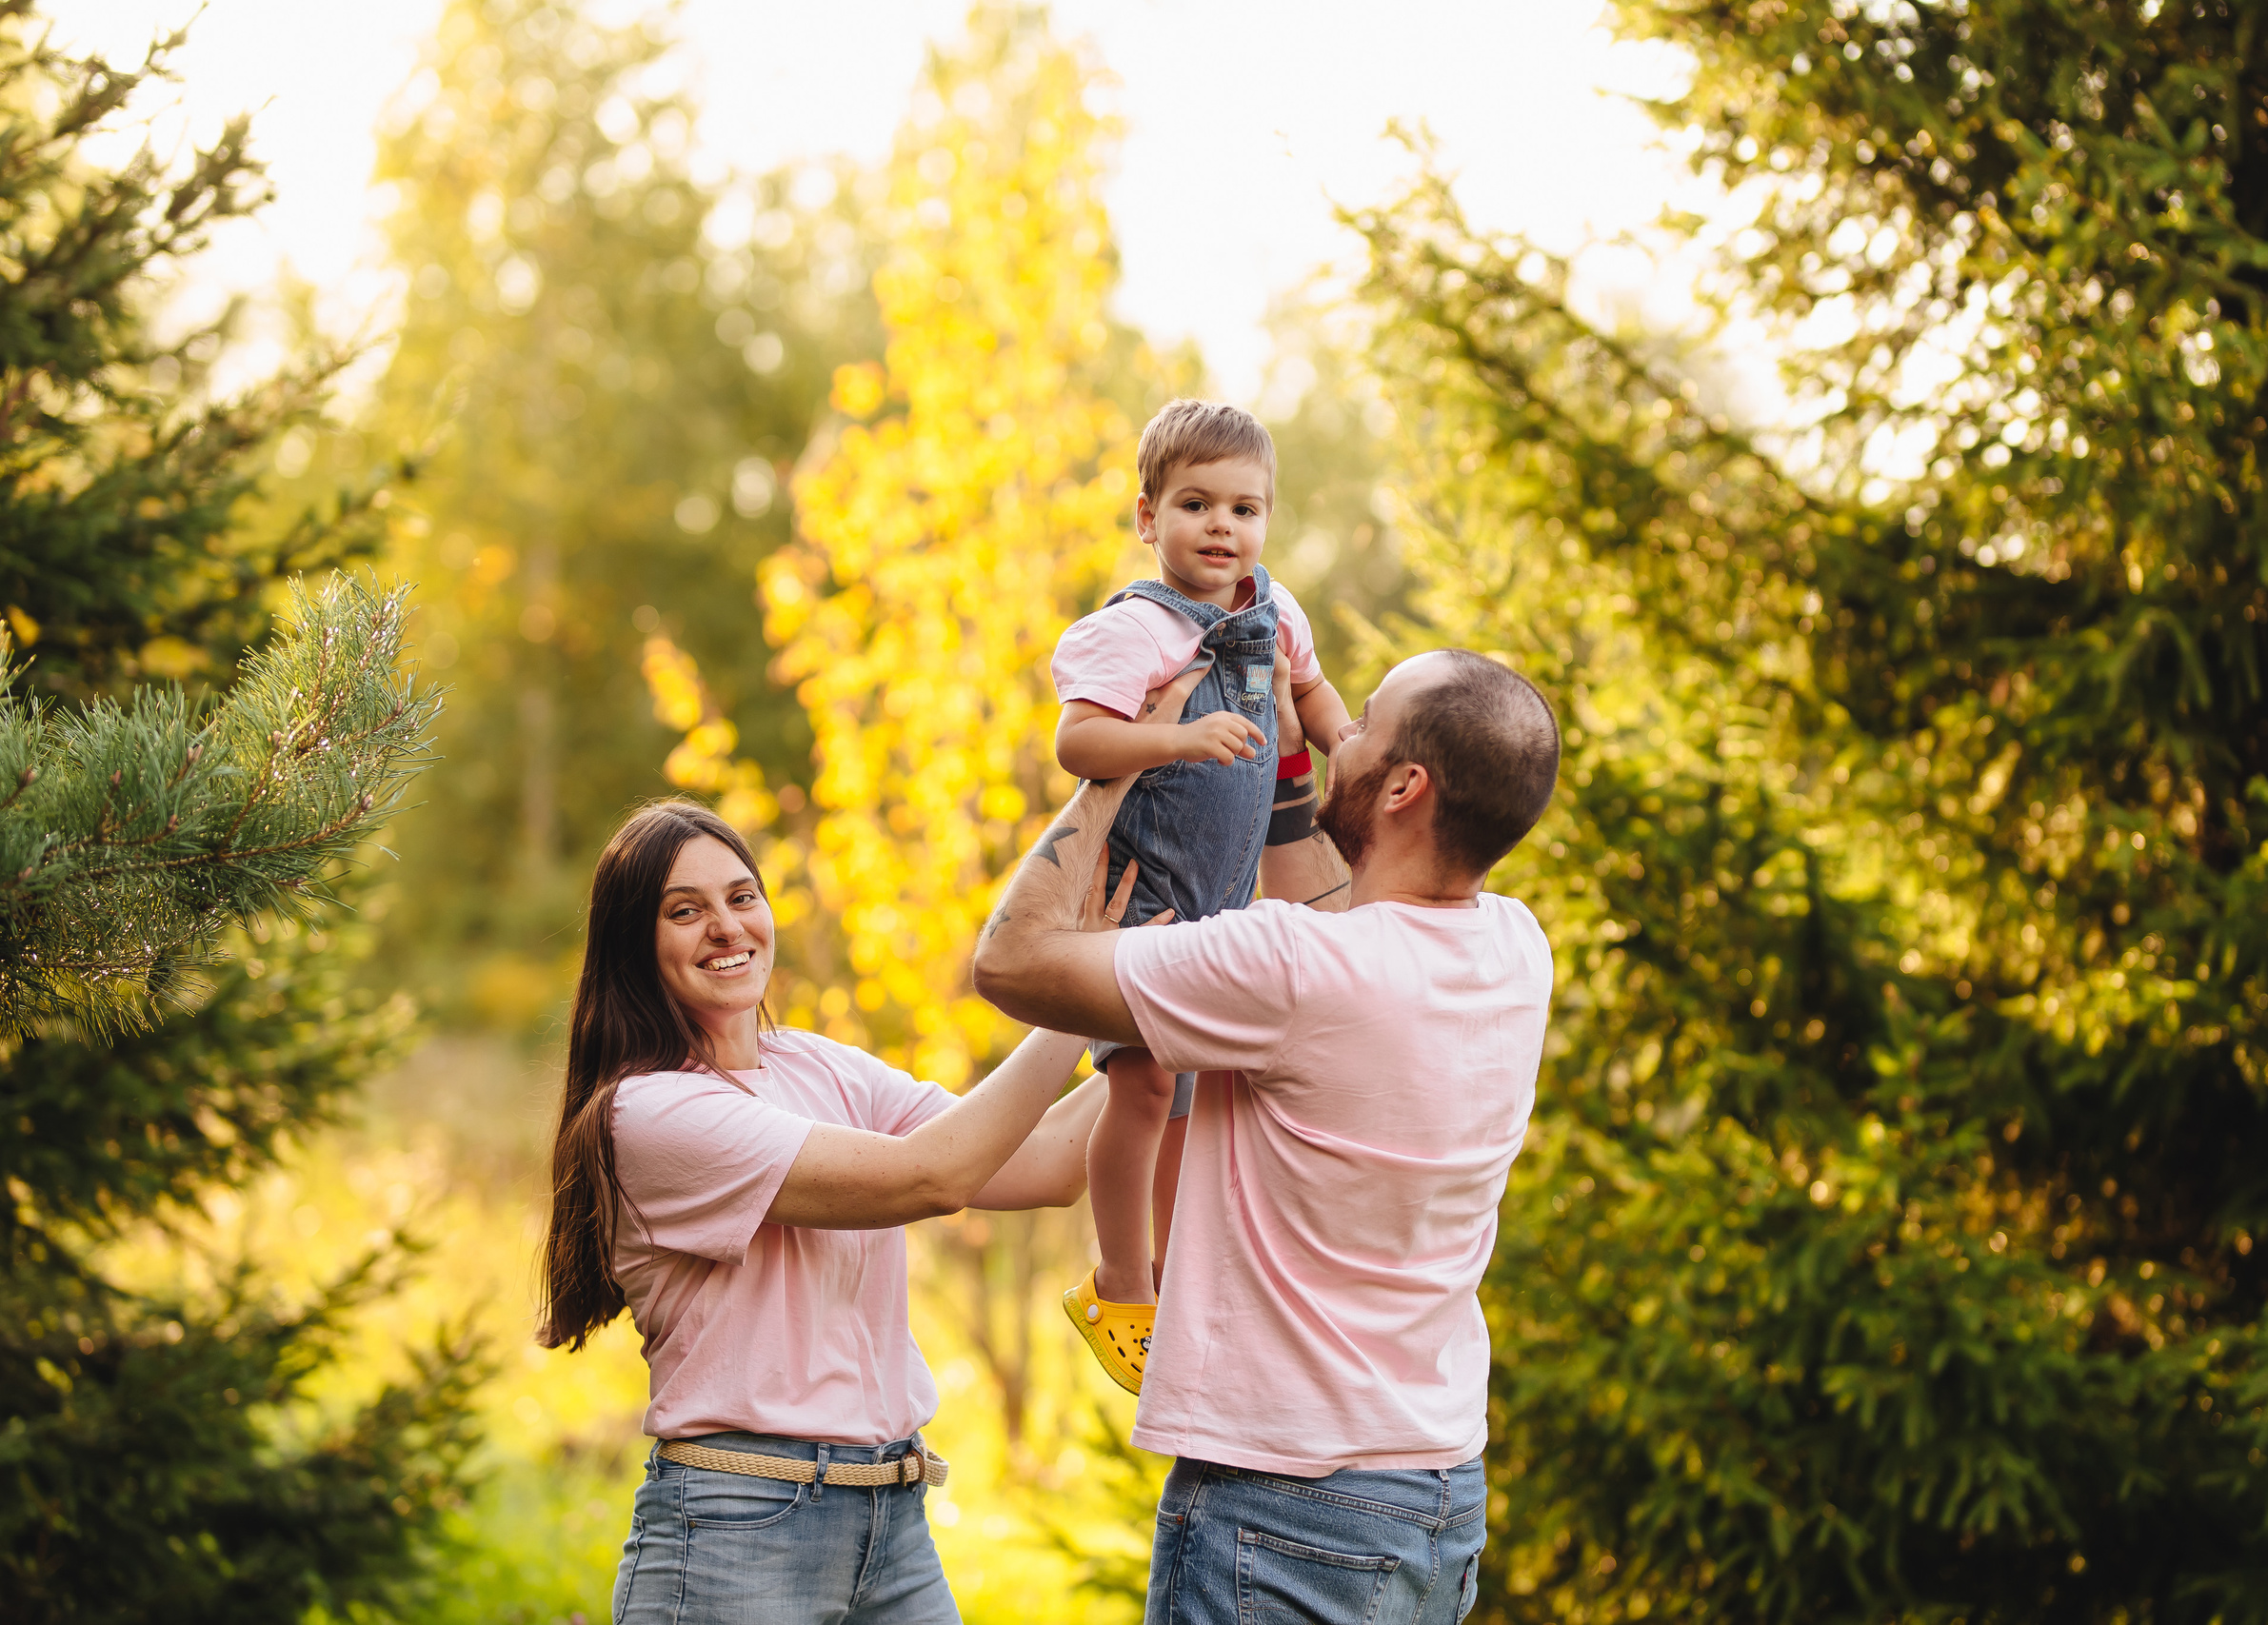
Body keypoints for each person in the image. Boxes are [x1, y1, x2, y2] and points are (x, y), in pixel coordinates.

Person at [975, 648, 1562, 1625]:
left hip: (1285, 1505)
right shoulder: (1512, 948)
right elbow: (1345, 905)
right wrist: (1297, 780)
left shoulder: (1293, 970)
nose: (1341, 728)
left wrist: (1119, 761)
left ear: (1407, 785)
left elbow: (1010, 962)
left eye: (1363, 720)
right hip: (1433, 1488)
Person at [535, 799, 1142, 1625]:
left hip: (891, 1523)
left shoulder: (821, 1066)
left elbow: (1045, 1161)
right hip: (737, 1535)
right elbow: (934, 1176)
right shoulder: (645, 1113)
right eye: (686, 911)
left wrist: (1153, 1009)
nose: (726, 927)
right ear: (634, 947)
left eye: (741, 897)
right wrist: (1081, 983)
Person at [1047, 397, 1353, 1394]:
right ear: (1148, 519)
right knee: (1137, 1087)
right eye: (1195, 505)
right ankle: (1117, 1282)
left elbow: (1309, 690)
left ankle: (1180, 1278)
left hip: (1222, 906)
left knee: (1190, 1103)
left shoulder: (1276, 609)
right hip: (1142, 895)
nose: (1223, 528)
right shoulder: (1137, 629)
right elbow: (1080, 743)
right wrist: (1175, 737)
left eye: (1245, 509)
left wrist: (1342, 741)